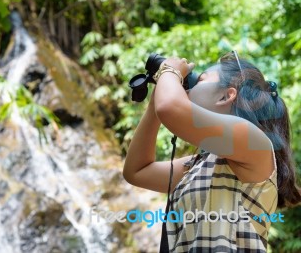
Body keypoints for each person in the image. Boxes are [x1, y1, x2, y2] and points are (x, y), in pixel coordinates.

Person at [122, 51, 301, 252]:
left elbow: (170, 108)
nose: (189, 87)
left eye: (200, 80)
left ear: (226, 95)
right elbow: (137, 171)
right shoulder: (199, 164)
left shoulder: (255, 141)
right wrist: (156, 101)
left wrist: (170, 71)